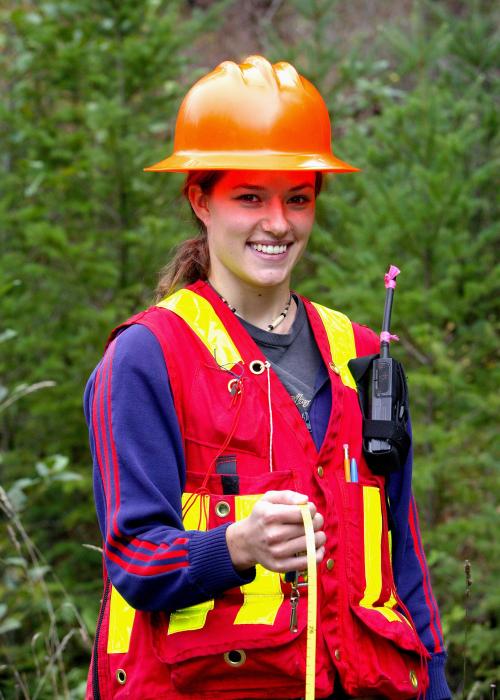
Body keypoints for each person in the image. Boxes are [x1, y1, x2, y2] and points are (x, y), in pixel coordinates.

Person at [84, 56, 451, 700]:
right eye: (249, 197)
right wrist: (235, 545)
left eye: (298, 199)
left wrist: (437, 685)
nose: (277, 223)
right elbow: (134, 558)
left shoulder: (361, 358)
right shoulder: (147, 357)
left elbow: (404, 560)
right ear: (200, 200)